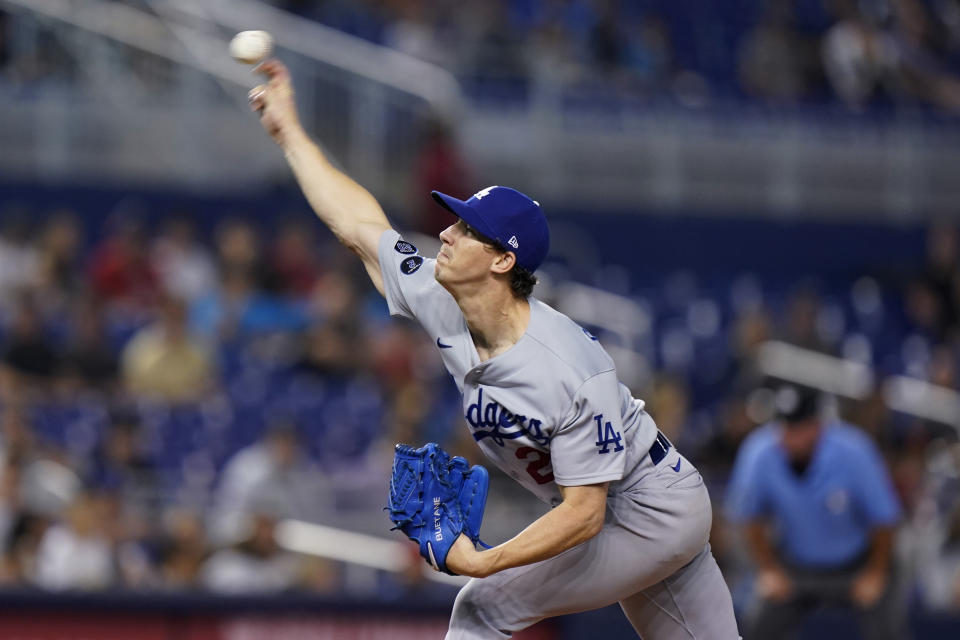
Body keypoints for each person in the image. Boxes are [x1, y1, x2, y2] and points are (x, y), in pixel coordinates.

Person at [248, 59, 740, 639]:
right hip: (618, 508)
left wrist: (485, 560)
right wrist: (290, 134)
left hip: (647, 508)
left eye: (467, 230)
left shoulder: (568, 370)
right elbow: (356, 224)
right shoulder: (440, 297)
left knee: (483, 606)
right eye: (454, 222)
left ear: (504, 261)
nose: (448, 234)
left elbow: (584, 516)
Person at [725, 384, 905, 640]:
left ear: (817, 425)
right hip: (796, 566)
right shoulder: (759, 451)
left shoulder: (853, 449)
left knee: (888, 631)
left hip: (857, 563)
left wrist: (875, 573)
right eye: (786, 426)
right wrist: (768, 569)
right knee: (757, 629)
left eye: (800, 427)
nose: (791, 436)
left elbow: (884, 519)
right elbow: (747, 516)